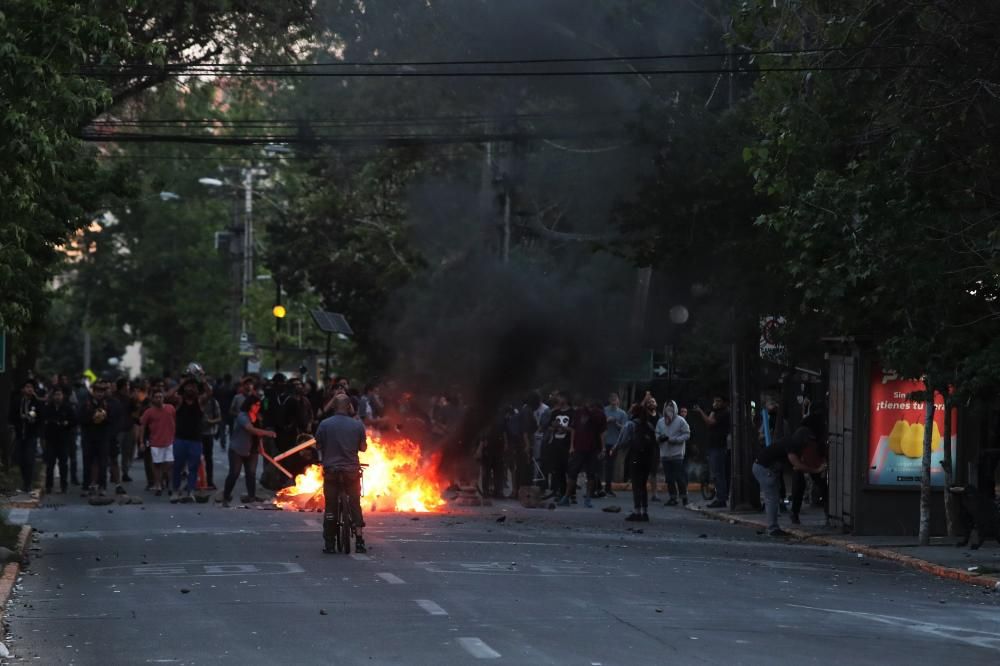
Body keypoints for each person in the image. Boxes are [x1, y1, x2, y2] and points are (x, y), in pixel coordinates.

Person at [316, 394, 368, 554]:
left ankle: (330, 543)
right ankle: (359, 541)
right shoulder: (357, 425)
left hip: (331, 471)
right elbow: (363, 448)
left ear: (333, 407)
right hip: (351, 472)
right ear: (349, 407)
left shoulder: (324, 424)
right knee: (354, 503)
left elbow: (318, 445)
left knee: (330, 505)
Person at [752, 426, 827, 537]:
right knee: (772, 498)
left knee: (773, 497)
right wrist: (816, 470)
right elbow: (797, 464)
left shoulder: (791, 444)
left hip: (766, 468)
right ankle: (773, 528)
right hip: (765, 469)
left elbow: (796, 465)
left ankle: (773, 526)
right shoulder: (791, 445)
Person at [222, 395, 275, 507]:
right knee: (234, 473)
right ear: (250, 405)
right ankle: (226, 497)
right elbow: (250, 429)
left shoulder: (257, 417)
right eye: (256, 405)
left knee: (251, 474)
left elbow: (257, 435)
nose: (258, 407)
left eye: (259, 405)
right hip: (238, 449)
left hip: (252, 450)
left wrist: (261, 447)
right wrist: (267, 433)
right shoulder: (242, 416)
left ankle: (251, 497)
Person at [618, 395, 658, 522]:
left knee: (636, 485)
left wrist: (616, 448)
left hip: (635, 457)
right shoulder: (650, 426)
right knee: (643, 485)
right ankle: (645, 512)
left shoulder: (631, 424)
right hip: (647, 459)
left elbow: (623, 441)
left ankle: (637, 511)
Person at [563, 400, 606, 507]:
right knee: (573, 472)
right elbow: (573, 430)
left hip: (593, 448)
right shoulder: (578, 412)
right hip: (579, 447)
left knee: (591, 474)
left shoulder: (600, 414)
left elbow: (602, 433)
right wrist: (572, 446)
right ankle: (566, 497)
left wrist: (603, 448)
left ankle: (588, 498)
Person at [170, 379, 204, 503]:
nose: (190, 389)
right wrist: (182, 382)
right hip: (180, 439)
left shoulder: (199, 401)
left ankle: (190, 491)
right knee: (177, 466)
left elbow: (210, 392)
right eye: (188, 387)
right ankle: (175, 490)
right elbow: (168, 396)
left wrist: (202, 379)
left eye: (193, 387)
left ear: (196, 389)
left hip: (195, 440)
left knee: (193, 467)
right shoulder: (180, 401)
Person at [695, 395, 731, 509]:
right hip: (714, 446)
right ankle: (720, 497)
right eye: (714, 401)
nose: (716, 403)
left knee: (718, 473)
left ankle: (721, 498)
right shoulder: (717, 412)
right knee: (716, 473)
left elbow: (710, 422)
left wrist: (700, 411)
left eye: (718, 401)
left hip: (719, 446)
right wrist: (713, 410)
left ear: (724, 402)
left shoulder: (724, 413)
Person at [80, 382, 113, 497]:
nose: (100, 394)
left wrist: (104, 418)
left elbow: (112, 420)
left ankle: (102, 487)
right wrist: (93, 417)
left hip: (102, 438)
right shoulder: (86, 403)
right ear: (93, 392)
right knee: (87, 463)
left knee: (103, 463)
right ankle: (86, 487)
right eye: (98, 391)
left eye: (102, 391)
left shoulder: (107, 404)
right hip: (88, 437)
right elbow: (80, 419)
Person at [139, 389, 175, 495]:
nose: (159, 399)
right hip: (155, 442)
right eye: (156, 397)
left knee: (169, 463)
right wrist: (141, 441)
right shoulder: (149, 412)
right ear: (153, 399)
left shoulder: (170, 408)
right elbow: (142, 426)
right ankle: (158, 485)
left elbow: (176, 422)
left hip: (170, 441)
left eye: (160, 396)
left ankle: (166, 479)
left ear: (163, 398)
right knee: (156, 464)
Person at [656, 400, 692, 506]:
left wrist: (675, 440)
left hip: (677, 454)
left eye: (671, 406)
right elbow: (657, 433)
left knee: (679, 477)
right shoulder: (661, 421)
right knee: (669, 478)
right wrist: (659, 438)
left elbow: (687, 434)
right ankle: (672, 497)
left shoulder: (681, 421)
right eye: (667, 406)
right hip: (665, 454)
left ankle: (684, 496)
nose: (669, 408)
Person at [10, 380, 42, 494]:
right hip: (20, 434)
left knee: (29, 459)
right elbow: (12, 416)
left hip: (31, 435)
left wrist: (31, 417)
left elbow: (39, 416)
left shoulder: (36, 402)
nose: (29, 389)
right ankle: (24, 483)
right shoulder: (18, 401)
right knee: (21, 459)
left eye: (31, 387)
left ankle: (28, 484)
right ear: (23, 389)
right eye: (27, 387)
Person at [42, 388, 76, 494]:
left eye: (59, 394)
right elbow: (44, 421)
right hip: (51, 440)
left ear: (63, 396)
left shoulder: (67, 407)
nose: (57, 396)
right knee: (50, 464)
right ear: (53, 396)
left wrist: (66, 424)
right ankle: (48, 486)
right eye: (56, 394)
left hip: (63, 440)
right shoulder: (48, 408)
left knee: (63, 464)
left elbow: (74, 421)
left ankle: (63, 485)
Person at [547, 392, 575, 504]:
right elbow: (549, 427)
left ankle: (570, 494)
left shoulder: (572, 413)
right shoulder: (555, 413)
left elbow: (574, 430)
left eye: (561, 397)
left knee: (570, 470)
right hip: (556, 444)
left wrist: (563, 427)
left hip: (567, 445)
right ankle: (561, 492)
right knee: (558, 470)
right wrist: (553, 428)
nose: (559, 399)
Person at [602, 393, 629, 498]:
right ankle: (600, 487)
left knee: (610, 464)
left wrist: (616, 422)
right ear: (609, 400)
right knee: (601, 464)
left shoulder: (622, 413)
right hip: (603, 441)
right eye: (611, 398)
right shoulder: (604, 410)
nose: (613, 400)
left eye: (615, 398)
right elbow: (599, 424)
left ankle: (608, 488)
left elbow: (625, 429)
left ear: (618, 400)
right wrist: (606, 421)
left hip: (614, 443)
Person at [200, 385, 222, 489]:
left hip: (208, 433)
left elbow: (219, 418)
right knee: (195, 458)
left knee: (208, 459)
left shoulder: (214, 403)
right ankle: (197, 481)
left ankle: (209, 481)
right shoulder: (198, 401)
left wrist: (210, 421)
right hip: (197, 434)